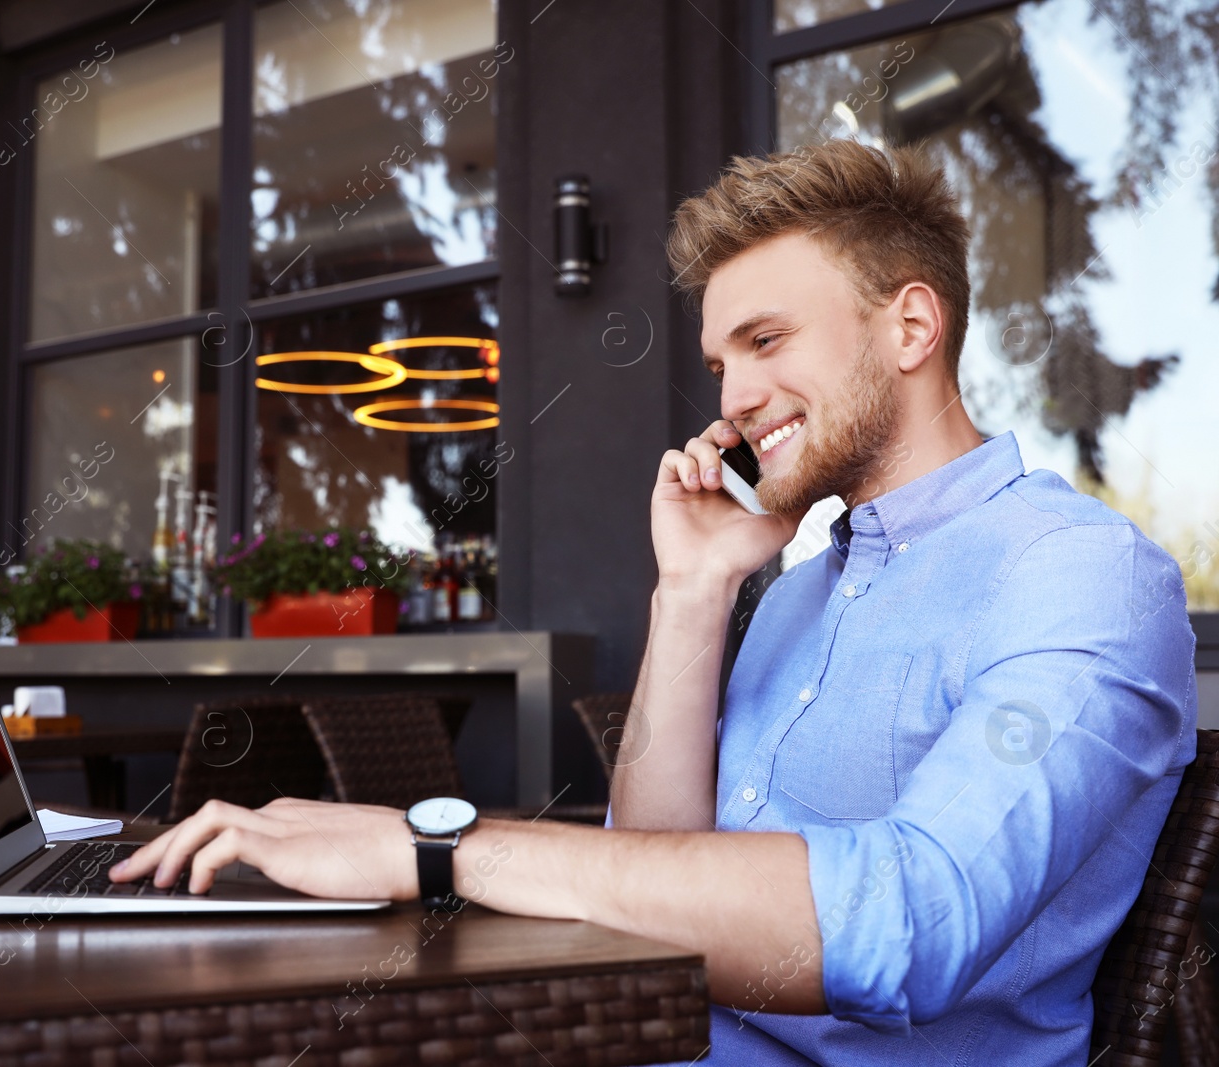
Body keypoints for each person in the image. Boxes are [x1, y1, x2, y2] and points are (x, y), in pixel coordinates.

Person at [111, 139, 1196, 1066]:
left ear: (910, 327)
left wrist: (434, 848)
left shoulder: (1078, 574)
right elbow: (649, 862)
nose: (731, 398)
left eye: (767, 341)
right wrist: (691, 590)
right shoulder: (792, 593)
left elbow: (910, 922)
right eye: (721, 360)